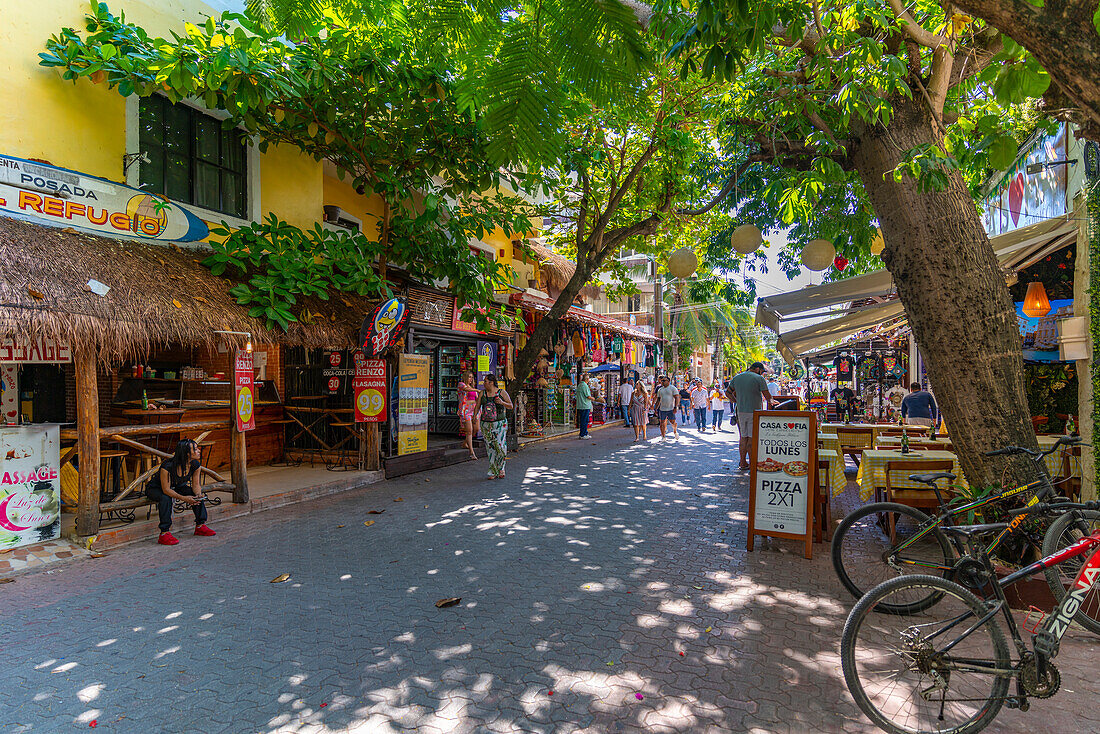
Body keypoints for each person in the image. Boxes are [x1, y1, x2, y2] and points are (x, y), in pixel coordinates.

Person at [147, 438, 216, 545]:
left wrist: (198, 496)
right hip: (156, 488)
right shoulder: (167, 466)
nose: (199, 451)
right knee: (165, 498)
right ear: (187, 453)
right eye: (195, 449)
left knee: (195, 495)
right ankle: (164, 533)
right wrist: (184, 499)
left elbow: (196, 485)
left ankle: (200, 526)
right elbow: (166, 489)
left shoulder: (195, 465)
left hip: (178, 486)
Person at [731, 362, 773, 470]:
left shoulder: (737, 377)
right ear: (758, 369)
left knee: (742, 437)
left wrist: (737, 401)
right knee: (751, 438)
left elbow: (728, 393)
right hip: (754, 411)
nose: (762, 374)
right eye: (762, 371)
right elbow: (767, 396)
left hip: (740, 411)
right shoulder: (759, 378)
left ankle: (742, 462)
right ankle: (752, 464)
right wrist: (773, 402)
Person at [472, 374, 513, 479]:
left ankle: (501, 467)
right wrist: (475, 416)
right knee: (490, 447)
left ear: (491, 382)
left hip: (499, 423)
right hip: (486, 424)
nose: (484, 383)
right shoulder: (483, 393)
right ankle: (492, 470)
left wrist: (502, 402)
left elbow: (510, 405)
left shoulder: (502, 392)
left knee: (500, 446)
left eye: (485, 381)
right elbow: (477, 406)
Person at [457, 370, 479, 460]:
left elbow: (476, 398)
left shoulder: (472, 387)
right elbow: (467, 389)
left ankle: (465, 443)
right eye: (469, 377)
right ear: (465, 377)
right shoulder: (461, 384)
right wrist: (477, 390)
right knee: (469, 431)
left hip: (473, 409)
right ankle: (471, 452)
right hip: (466, 409)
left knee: (476, 429)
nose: (471, 379)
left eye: (472, 377)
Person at [654, 375, 681, 439]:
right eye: (662, 380)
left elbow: (677, 397)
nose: (662, 382)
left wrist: (675, 407)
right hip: (662, 409)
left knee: (673, 422)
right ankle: (663, 436)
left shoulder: (672, 388)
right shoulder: (660, 390)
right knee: (662, 422)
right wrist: (656, 408)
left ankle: (675, 431)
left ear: (668, 381)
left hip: (671, 408)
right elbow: (658, 399)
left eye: (664, 380)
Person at [574, 374, 593, 438]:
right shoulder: (584, 386)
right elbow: (588, 396)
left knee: (583, 420)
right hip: (585, 405)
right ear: (587, 379)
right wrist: (593, 398)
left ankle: (584, 433)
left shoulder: (579, 385)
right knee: (584, 420)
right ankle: (583, 434)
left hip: (580, 405)